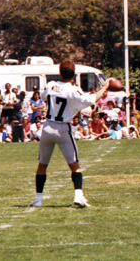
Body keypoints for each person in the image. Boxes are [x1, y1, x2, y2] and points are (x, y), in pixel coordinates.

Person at [29, 60, 112, 208]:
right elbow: (92, 99)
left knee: (42, 164)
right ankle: (78, 195)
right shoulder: (73, 89)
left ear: (59, 72)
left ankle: (38, 199)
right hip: (62, 129)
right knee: (74, 165)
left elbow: (43, 96)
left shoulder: (50, 85)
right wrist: (105, 86)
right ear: (74, 74)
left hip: (47, 127)